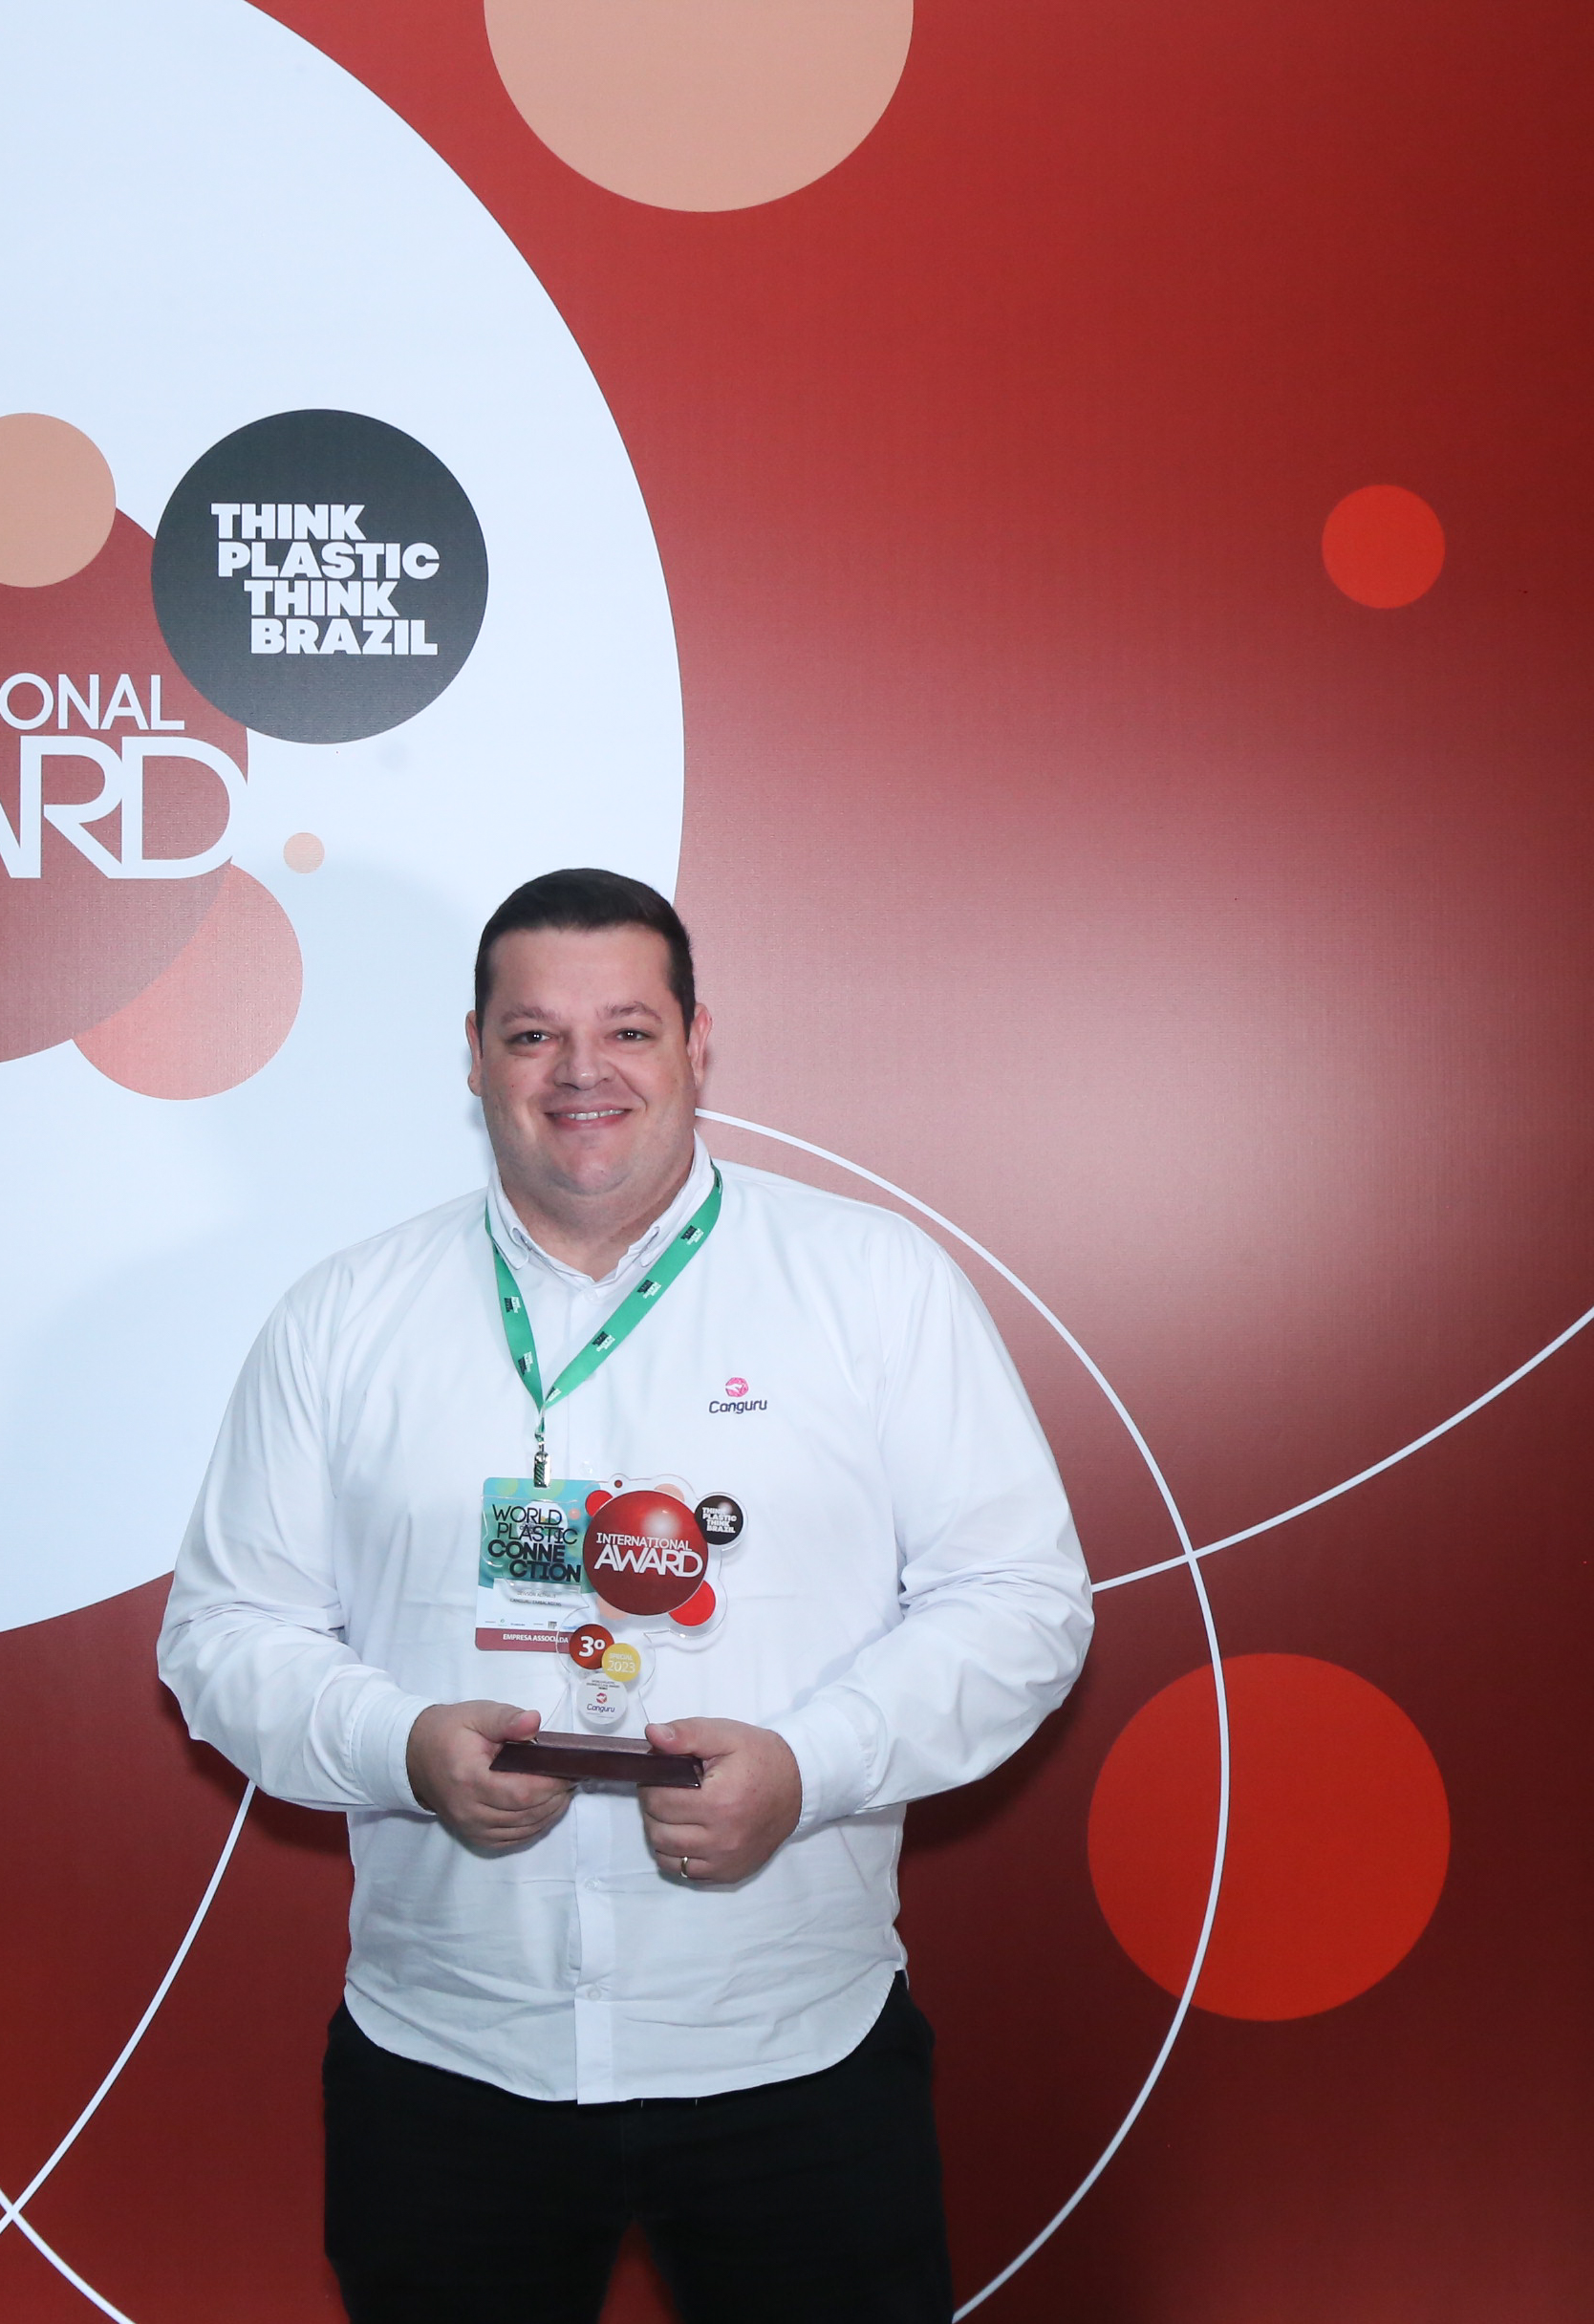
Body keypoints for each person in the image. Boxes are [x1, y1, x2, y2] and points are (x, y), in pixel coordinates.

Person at [157, 869, 1091, 2323]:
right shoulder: (344, 1317)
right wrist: (402, 1750)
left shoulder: (871, 1284)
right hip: (449, 2065)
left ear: (698, 1043)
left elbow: (1021, 1601)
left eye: (629, 1030)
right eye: (533, 1035)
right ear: (474, 1059)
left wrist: (811, 1768)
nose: (580, 1071)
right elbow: (224, 1634)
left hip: (791, 2056)